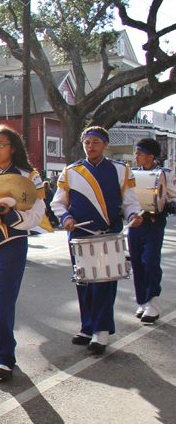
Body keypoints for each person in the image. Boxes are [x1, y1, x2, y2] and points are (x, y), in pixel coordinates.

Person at [51, 126, 142, 353]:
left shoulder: (121, 170)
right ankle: (87, 326)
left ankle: (101, 332)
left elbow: (130, 202)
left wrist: (134, 215)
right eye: (87, 142)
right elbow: (58, 203)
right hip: (80, 235)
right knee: (84, 282)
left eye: (95, 142)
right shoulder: (71, 171)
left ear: (105, 145)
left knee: (105, 282)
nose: (90, 147)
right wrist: (67, 218)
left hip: (109, 234)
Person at [0, 125, 47, 381]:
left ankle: (5, 358)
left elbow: (37, 214)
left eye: (1, 144)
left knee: (3, 303)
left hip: (12, 243)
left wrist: (12, 215)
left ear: (13, 147)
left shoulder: (28, 175)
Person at [128, 138, 176, 323]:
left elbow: (173, 198)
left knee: (150, 262)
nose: (136, 157)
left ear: (151, 156)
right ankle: (142, 301)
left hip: (154, 224)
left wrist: (168, 205)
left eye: (140, 154)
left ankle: (153, 303)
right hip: (136, 224)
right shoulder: (131, 174)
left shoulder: (166, 174)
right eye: (136, 153)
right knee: (137, 264)